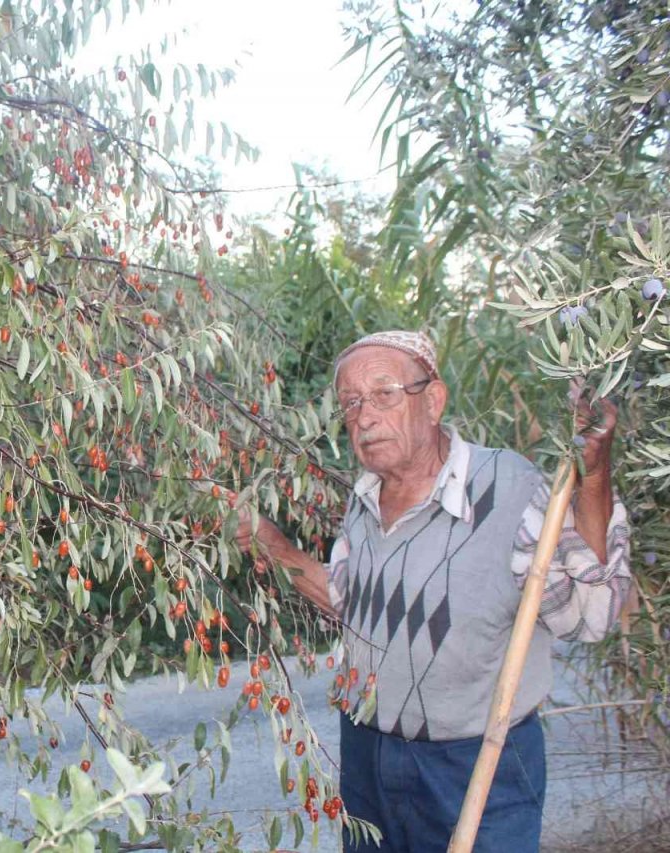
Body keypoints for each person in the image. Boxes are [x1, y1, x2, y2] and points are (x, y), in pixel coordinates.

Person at [235, 330, 631, 852]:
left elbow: (594, 613)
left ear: (434, 399)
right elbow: (351, 605)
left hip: (475, 762)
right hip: (368, 757)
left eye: (384, 394)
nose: (365, 416)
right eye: (351, 403)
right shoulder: (364, 500)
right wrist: (270, 543)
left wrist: (594, 468)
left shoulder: (509, 489)